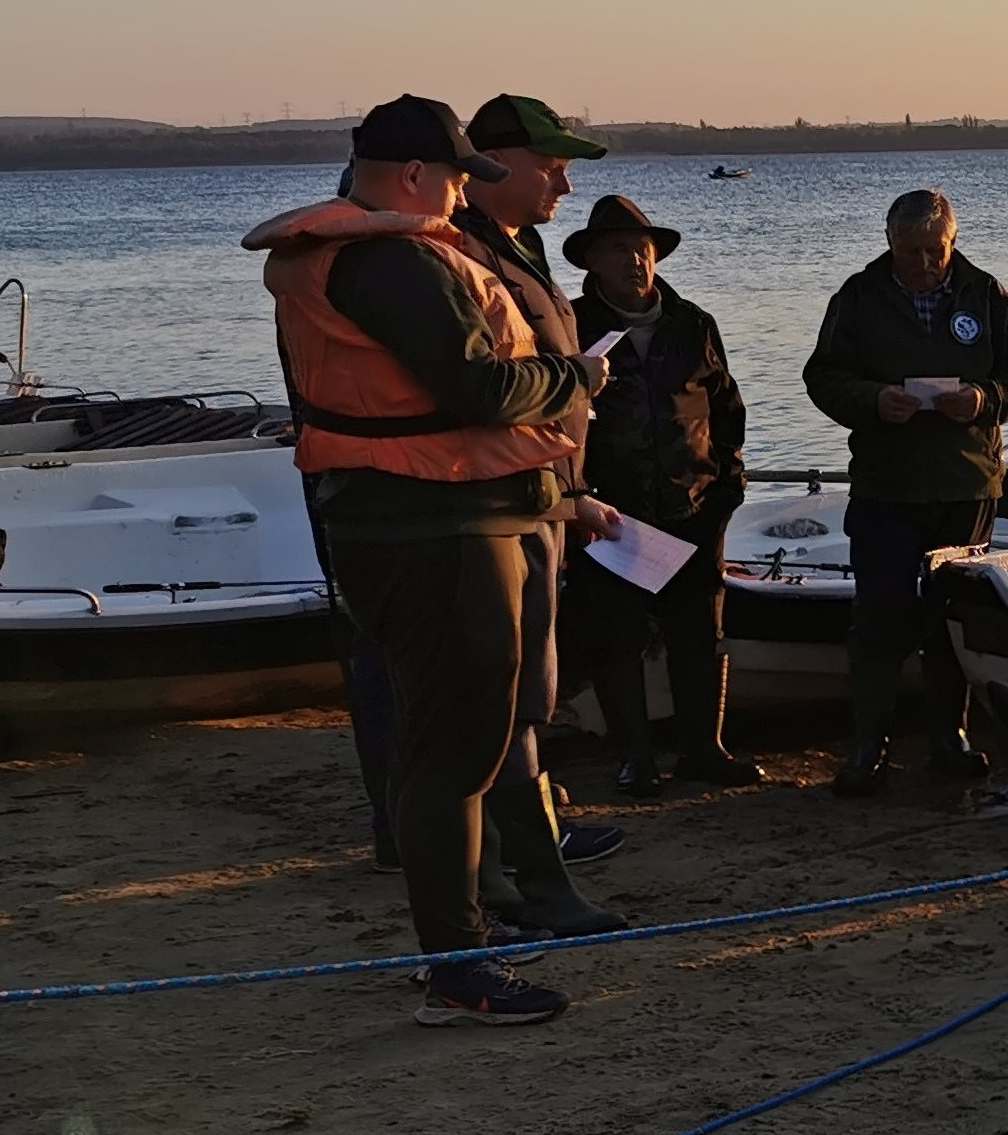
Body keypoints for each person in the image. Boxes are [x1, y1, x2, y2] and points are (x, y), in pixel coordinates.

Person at [243, 97, 613, 1024]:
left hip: (426, 522)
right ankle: (457, 968)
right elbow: (477, 388)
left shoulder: (364, 254)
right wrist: (576, 378)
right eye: (453, 179)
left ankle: (462, 943)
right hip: (435, 529)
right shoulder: (392, 261)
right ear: (413, 176)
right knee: (458, 750)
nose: (458, 198)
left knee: (446, 743)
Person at [801, 188, 1008, 795]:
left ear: (952, 241)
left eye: (936, 250)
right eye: (911, 251)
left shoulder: (987, 296)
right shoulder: (858, 298)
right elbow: (822, 377)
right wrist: (873, 400)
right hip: (886, 487)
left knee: (951, 621)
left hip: (967, 486)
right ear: (890, 243)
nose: (925, 263)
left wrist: (983, 399)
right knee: (879, 619)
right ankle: (869, 748)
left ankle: (950, 738)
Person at [457, 94, 629, 892]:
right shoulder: (461, 254)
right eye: (551, 167)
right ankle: (519, 863)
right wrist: (579, 378)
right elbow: (487, 394)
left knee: (531, 685)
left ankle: (534, 835)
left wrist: (573, 495)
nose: (564, 184)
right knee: (508, 690)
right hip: (498, 510)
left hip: (542, 501)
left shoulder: (518, 246)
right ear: (494, 165)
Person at [565, 194, 758, 792]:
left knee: (699, 635)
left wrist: (727, 488)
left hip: (694, 508)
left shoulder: (693, 324)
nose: (635, 261)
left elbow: (727, 412)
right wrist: (575, 499)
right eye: (620, 249)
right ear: (592, 260)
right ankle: (635, 760)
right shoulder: (570, 327)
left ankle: (705, 751)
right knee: (615, 640)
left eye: (643, 249)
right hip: (611, 515)